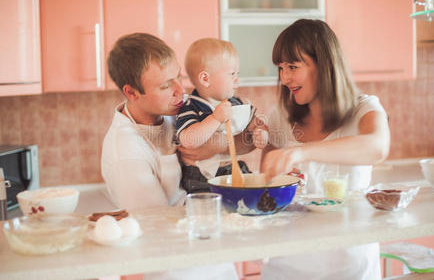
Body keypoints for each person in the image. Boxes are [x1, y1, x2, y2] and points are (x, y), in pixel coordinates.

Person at [260, 19, 390, 279]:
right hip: (285, 267)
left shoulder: (363, 109)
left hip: (351, 266)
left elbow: (377, 147)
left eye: (293, 67)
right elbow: (267, 193)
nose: (285, 78)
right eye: (281, 68)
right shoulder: (279, 116)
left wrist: (301, 151)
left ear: (324, 64)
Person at [101, 33, 238, 279]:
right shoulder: (125, 152)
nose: (180, 90)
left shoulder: (171, 113)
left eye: (179, 77)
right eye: (165, 85)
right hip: (177, 268)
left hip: (215, 258)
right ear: (131, 93)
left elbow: (239, 143)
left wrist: (215, 147)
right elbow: (157, 224)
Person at [176, 38, 268, 193]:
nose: (237, 79)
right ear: (205, 79)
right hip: (202, 177)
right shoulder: (192, 107)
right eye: (232, 74)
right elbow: (188, 140)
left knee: (257, 196)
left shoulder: (236, 102)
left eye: (237, 73)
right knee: (210, 211)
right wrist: (214, 119)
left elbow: (254, 121)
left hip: (233, 168)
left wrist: (260, 131)